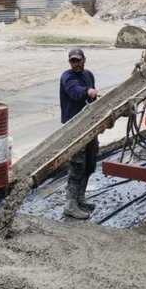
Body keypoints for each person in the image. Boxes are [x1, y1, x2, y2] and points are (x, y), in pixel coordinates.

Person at [59, 48, 99, 219]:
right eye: (72, 61)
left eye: (78, 60)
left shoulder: (88, 74)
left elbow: (92, 100)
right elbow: (75, 92)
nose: (75, 64)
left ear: (84, 59)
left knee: (90, 163)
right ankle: (70, 204)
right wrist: (88, 91)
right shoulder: (67, 77)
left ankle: (80, 197)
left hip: (89, 125)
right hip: (74, 127)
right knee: (77, 165)